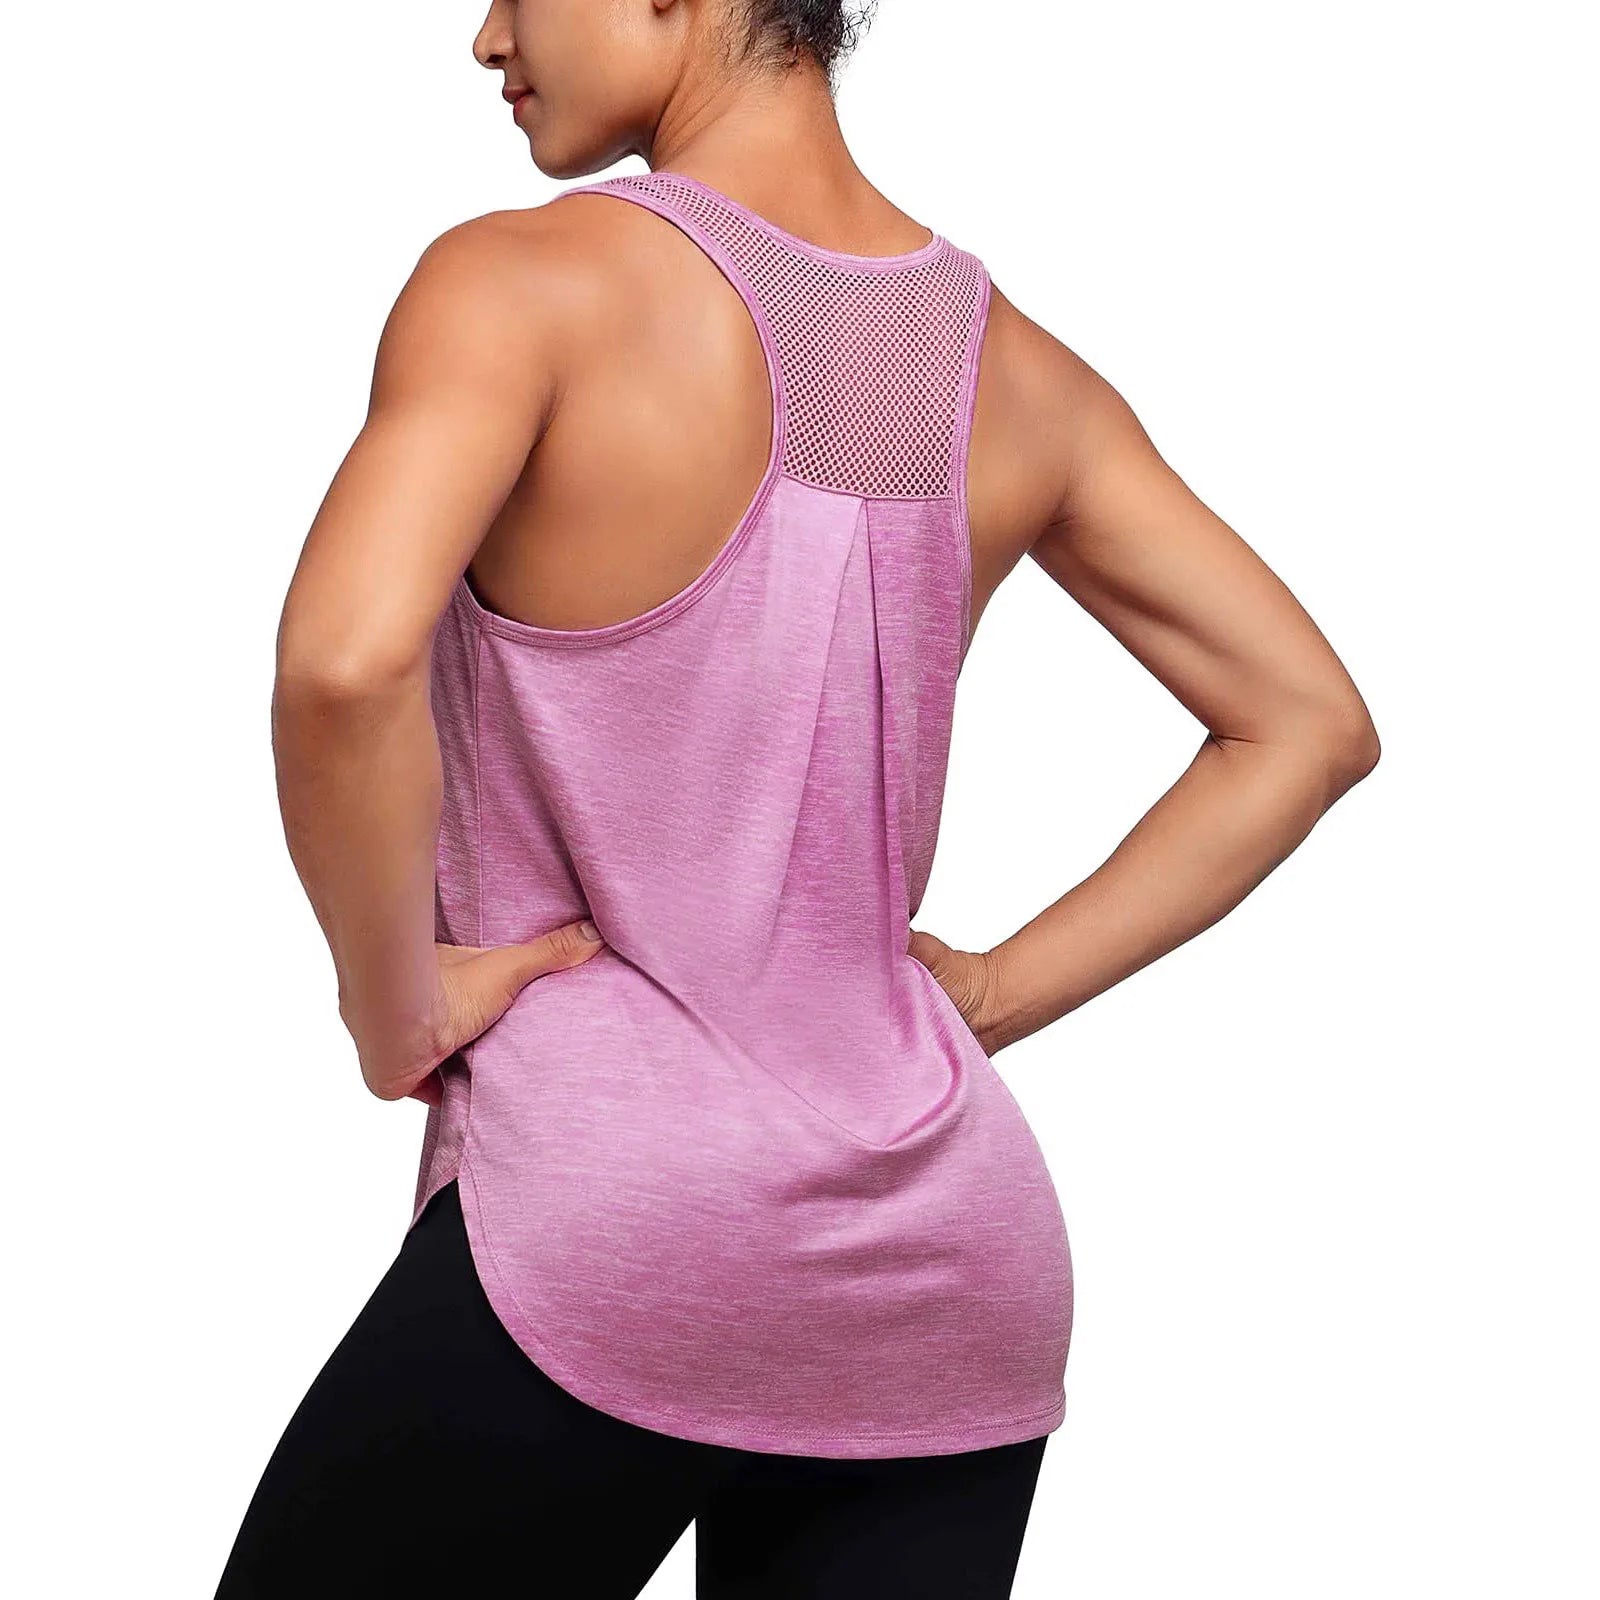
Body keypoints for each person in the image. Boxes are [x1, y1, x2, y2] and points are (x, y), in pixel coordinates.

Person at [216, 2, 1380, 1595]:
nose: (487, 36)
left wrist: (392, 1006)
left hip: (620, 1226)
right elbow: (1306, 723)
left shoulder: (521, 288)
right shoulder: (1014, 372)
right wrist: (987, 994)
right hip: (947, 1267)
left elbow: (343, 666)